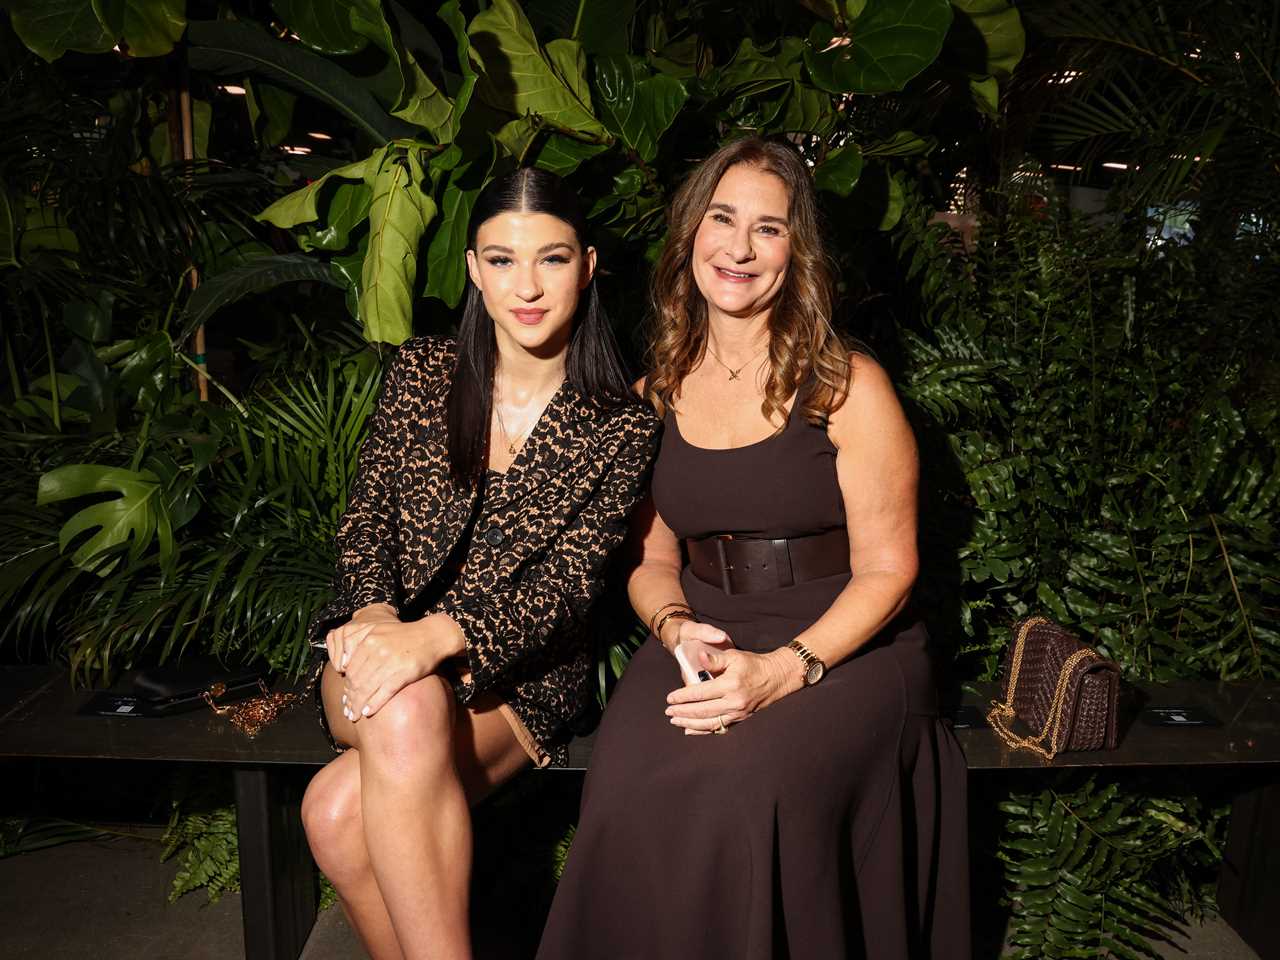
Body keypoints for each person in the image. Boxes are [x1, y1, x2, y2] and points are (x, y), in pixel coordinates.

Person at [538, 137, 970, 959]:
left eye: (767, 230)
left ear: (795, 253)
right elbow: (652, 559)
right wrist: (674, 629)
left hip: (846, 646)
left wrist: (783, 670)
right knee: (626, 785)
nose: (738, 248)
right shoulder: (654, 393)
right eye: (721, 218)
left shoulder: (848, 384)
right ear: (690, 235)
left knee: (746, 785)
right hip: (707, 636)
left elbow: (891, 569)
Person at [299, 167, 661, 960]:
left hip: (520, 682)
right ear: (472, 269)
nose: (525, 286)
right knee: (409, 706)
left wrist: (438, 638)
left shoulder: (622, 425)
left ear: (590, 265)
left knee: (334, 812)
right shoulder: (422, 374)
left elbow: (570, 587)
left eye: (552, 259)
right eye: (501, 260)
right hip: (371, 646)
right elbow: (367, 521)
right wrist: (373, 616)